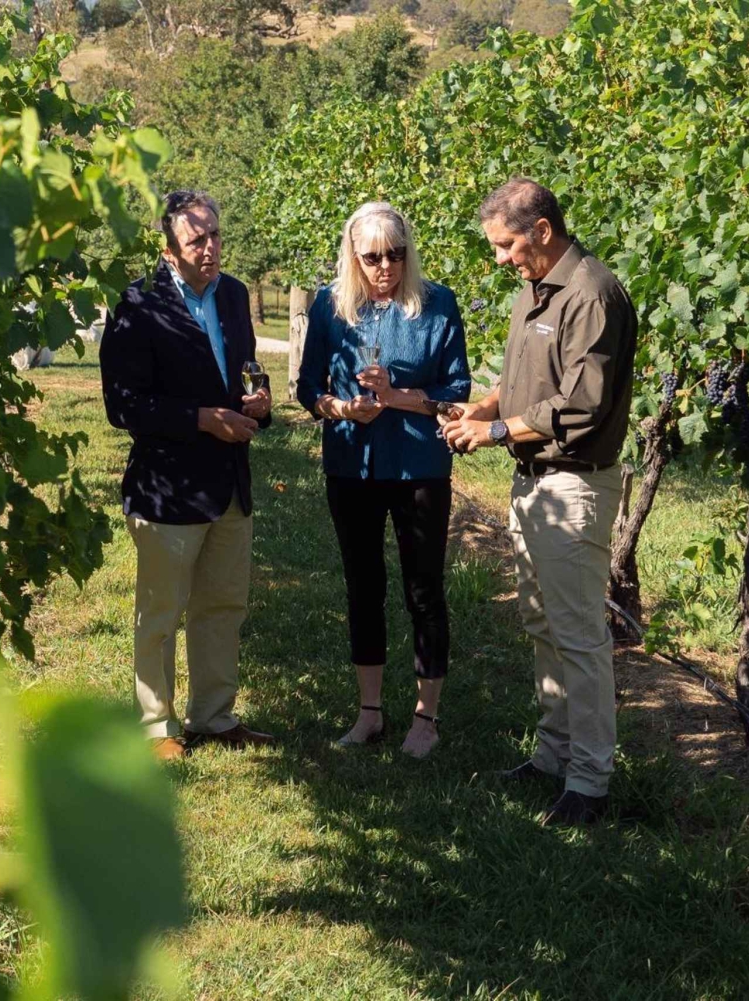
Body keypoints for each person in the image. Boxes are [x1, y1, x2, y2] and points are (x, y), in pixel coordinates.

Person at [443, 178, 637, 825]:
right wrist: (484, 409)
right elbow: (521, 382)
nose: (501, 258)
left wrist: (496, 432)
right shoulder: (535, 292)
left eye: (506, 245)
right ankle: (553, 755)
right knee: (543, 625)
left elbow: (580, 406)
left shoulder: (591, 294)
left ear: (543, 231)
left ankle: (590, 781)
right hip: (533, 484)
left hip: (573, 484)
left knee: (579, 636)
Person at [99, 190, 275, 761]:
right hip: (168, 488)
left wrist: (259, 400)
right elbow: (123, 405)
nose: (210, 247)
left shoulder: (234, 294)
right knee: (161, 615)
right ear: (168, 249)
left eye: (215, 234)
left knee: (222, 607)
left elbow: (246, 368)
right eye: (197, 239)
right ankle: (157, 727)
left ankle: (214, 717)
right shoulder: (137, 304)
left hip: (230, 484)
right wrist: (202, 419)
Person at [296, 202, 471, 760]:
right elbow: (308, 388)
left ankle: (426, 717)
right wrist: (343, 409)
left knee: (424, 588)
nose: (385, 268)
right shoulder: (330, 306)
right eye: (372, 258)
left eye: (395, 255)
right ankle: (369, 712)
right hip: (353, 465)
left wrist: (398, 398)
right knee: (363, 586)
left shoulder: (437, 304)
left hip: (419, 466)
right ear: (353, 256)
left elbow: (457, 393)